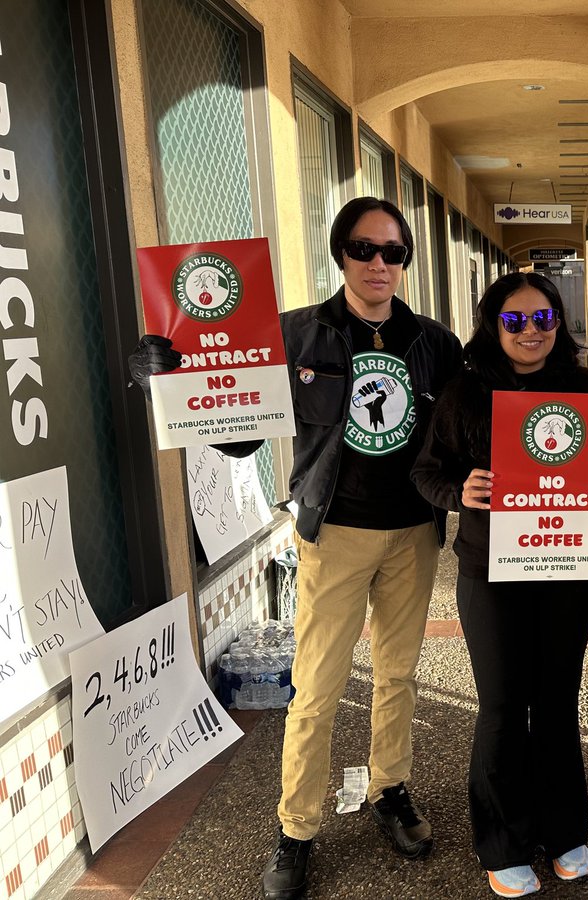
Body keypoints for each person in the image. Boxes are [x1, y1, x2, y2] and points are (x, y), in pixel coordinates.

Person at [128, 197, 463, 900]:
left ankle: (389, 791)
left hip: (412, 534)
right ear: (341, 255)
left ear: (405, 261)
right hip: (334, 532)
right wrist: (172, 382)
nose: (379, 263)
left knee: (398, 675)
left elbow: (472, 425)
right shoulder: (298, 335)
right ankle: (297, 830)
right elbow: (240, 431)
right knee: (316, 688)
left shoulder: (435, 342)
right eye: (365, 250)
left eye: (393, 252)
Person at [412, 272, 588, 898]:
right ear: (493, 325)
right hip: (492, 572)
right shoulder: (466, 390)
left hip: (567, 568)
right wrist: (462, 492)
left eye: (543, 319)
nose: (530, 331)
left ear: (558, 326)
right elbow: (426, 473)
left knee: (558, 702)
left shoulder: (587, 390)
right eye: (515, 321)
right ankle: (503, 842)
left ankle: (564, 832)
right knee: (505, 704)